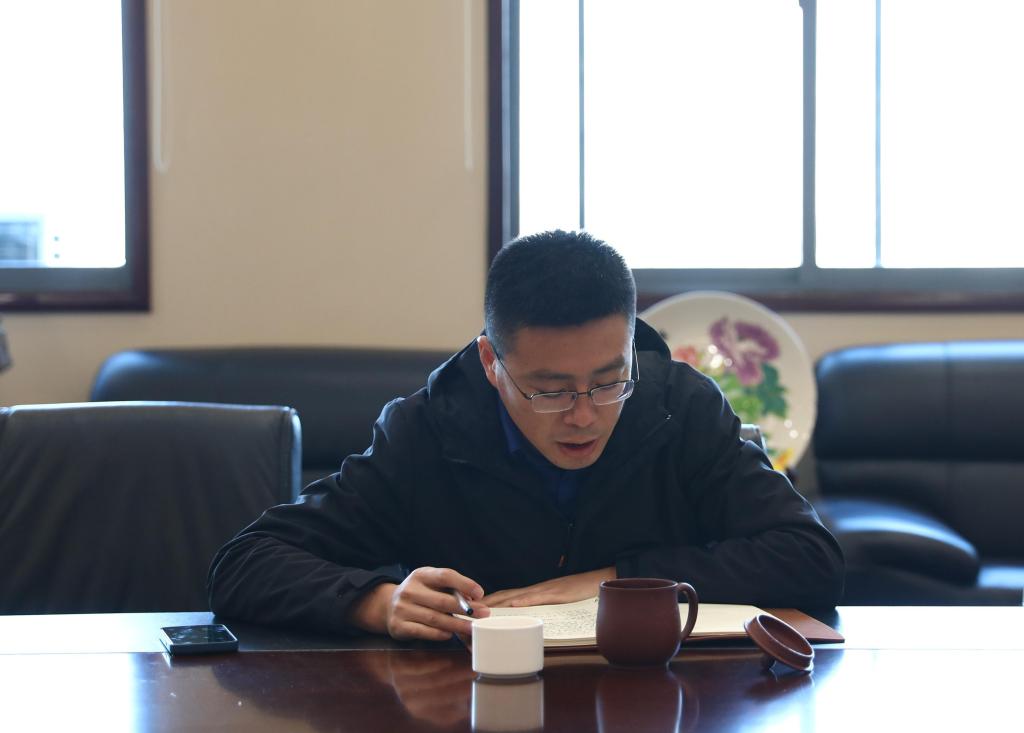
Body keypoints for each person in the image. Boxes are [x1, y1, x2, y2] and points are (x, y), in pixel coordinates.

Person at [207, 230, 844, 641]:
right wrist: (376, 602)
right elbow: (245, 563)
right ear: (492, 362)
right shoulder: (427, 430)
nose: (584, 415)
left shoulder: (681, 407)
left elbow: (810, 557)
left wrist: (617, 580)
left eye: (609, 380)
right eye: (550, 389)